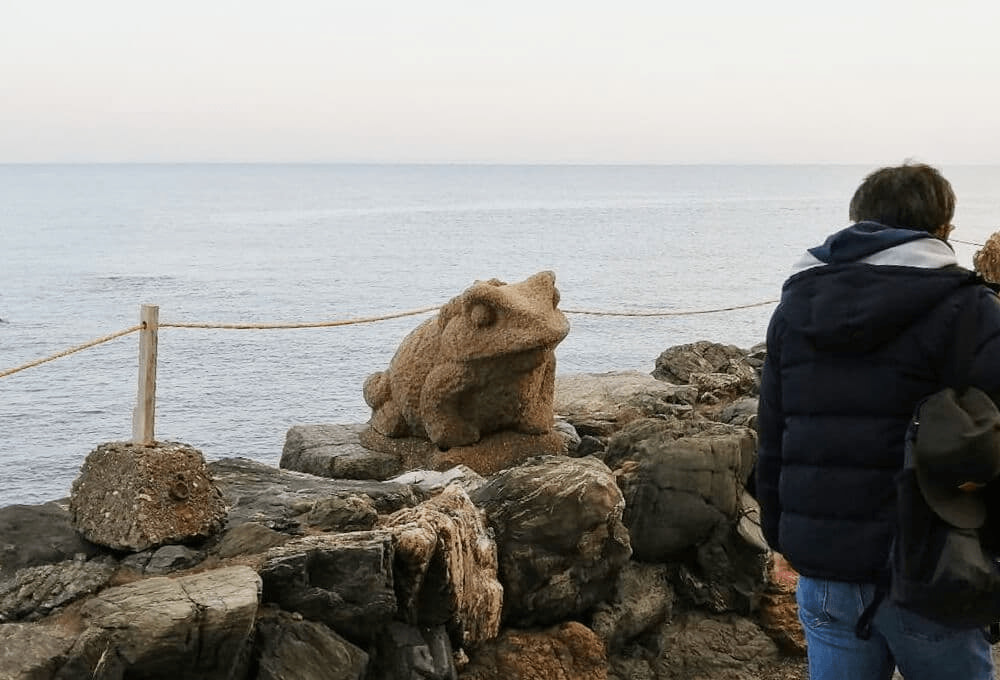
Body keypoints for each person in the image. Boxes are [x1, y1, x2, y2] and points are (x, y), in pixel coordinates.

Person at [755, 162, 1000, 680]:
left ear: (857, 222)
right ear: (943, 230)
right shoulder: (970, 308)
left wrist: (781, 539)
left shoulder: (796, 308)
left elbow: (773, 436)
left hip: (826, 570)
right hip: (934, 564)